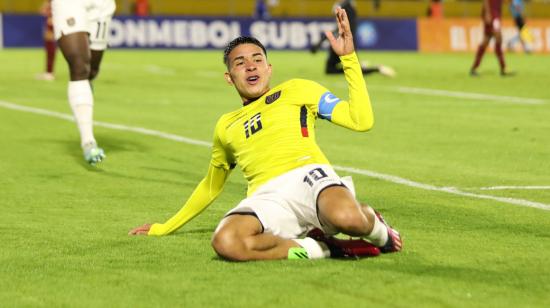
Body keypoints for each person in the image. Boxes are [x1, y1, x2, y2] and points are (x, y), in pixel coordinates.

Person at [129, 8, 402, 261]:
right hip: (266, 197)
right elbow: (211, 185)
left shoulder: (297, 89)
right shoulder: (226, 125)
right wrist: (164, 227)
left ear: (269, 68)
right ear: (229, 77)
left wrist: (348, 59)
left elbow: (360, 120)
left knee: (347, 218)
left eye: (257, 59)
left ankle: (382, 234)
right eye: (240, 63)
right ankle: (323, 248)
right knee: (226, 241)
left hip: (309, 177)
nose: (250, 66)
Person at [51, 0, 115, 165]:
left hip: (102, 5)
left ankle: (82, 104)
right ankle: (88, 142)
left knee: (91, 71)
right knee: (79, 66)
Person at [310, 0, 395, 77]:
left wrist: (319, 43)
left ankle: (377, 69)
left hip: (342, 43)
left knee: (334, 70)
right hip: (345, 42)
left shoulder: (345, 8)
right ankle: (369, 67)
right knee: (338, 70)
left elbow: (339, 29)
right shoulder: (348, 7)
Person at [470, 0, 510, 76]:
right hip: (492, 16)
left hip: (496, 15)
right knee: (498, 37)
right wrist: (487, 13)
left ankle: (474, 68)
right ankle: (503, 68)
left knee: (486, 40)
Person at [36, 0, 56, 81]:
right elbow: (42, 11)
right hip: (50, 22)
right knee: (49, 47)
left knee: (50, 47)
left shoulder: (54, 4)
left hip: (52, 23)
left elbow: (43, 10)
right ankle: (48, 71)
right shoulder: (50, 3)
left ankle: (49, 73)